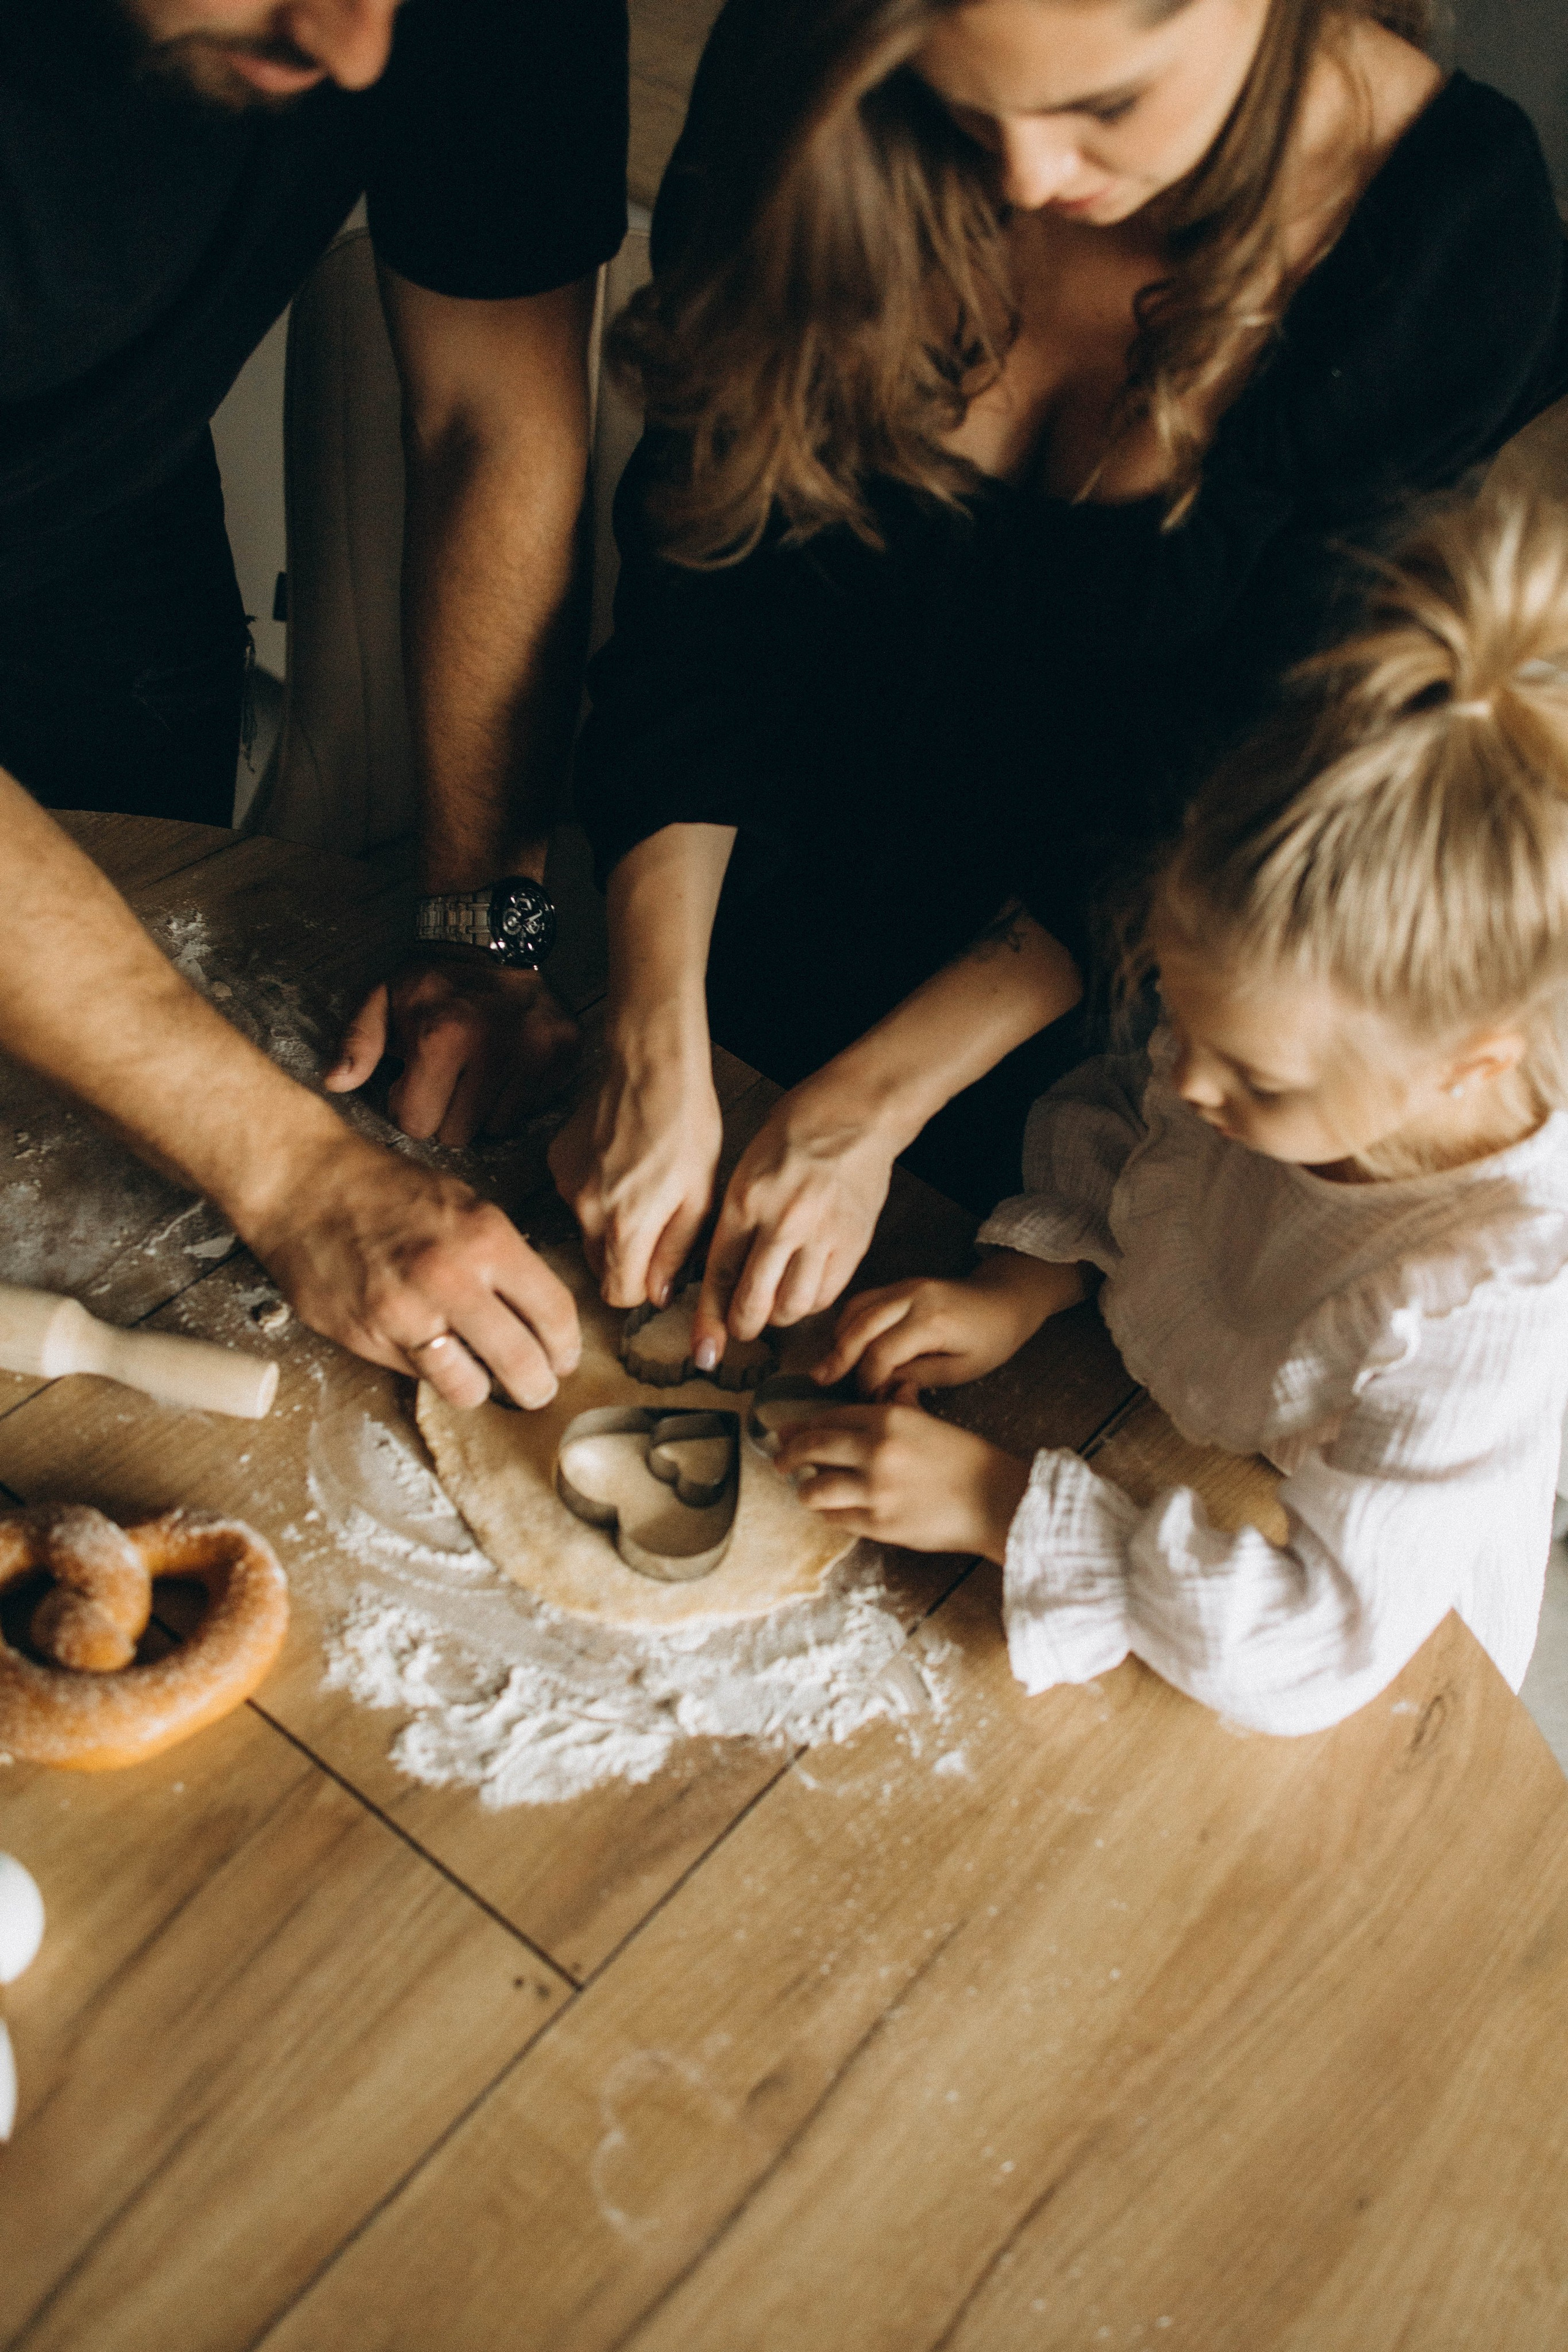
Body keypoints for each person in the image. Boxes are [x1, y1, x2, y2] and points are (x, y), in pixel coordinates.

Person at [556, 0, 1568, 1378]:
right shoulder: (812, 55)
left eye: (1104, 108)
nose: (1029, 181)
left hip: (1108, 1081)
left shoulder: (1443, 233)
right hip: (706, 890)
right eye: (966, 109)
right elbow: (702, 598)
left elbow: (1208, 789)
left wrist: (878, 1100)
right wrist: (650, 1025)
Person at [774, 493, 1568, 1735]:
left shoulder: (1485, 1299)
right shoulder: (1256, 1038)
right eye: (1174, 1016)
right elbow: (1132, 1131)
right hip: (1183, 1450)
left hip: (1374, 1645)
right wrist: (1018, 1284)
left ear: (1466, 1067)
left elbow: (1310, 1646)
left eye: (1254, 1081)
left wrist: (997, 1506)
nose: (1193, 1085)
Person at [0, 0, 629, 1147]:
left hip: (107, 556)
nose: (360, 53)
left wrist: (487, 931)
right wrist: (290, 1174)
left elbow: (492, 421)